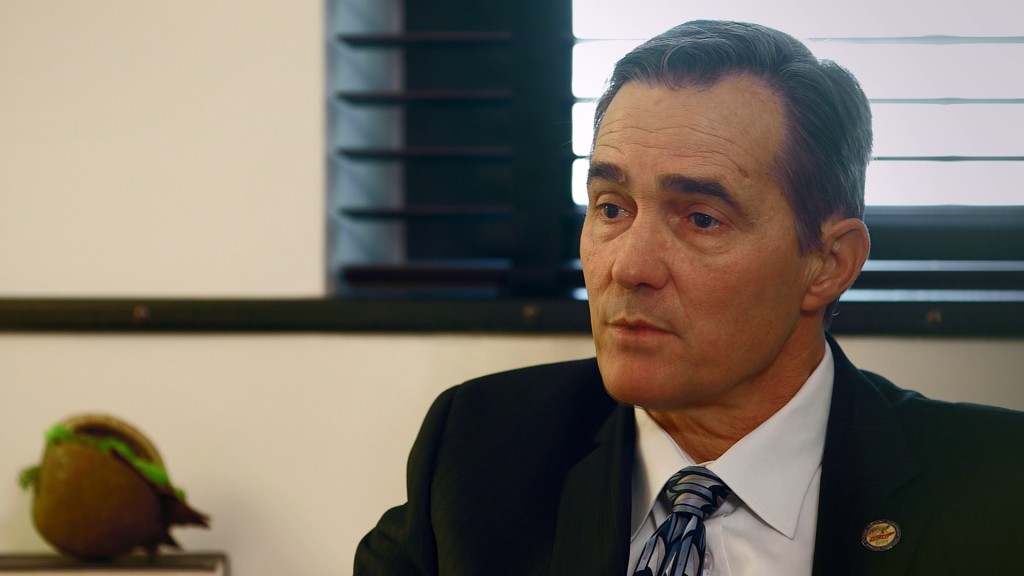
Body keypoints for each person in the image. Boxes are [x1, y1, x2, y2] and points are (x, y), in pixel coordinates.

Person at [354, 20, 1024, 575]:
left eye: (702, 218)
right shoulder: (478, 448)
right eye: (611, 208)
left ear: (828, 263)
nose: (629, 267)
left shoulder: (997, 487)